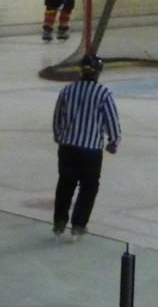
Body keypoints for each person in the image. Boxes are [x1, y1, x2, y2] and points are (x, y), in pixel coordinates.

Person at [52, 54, 121, 240]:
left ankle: (59, 222)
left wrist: (60, 137)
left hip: (68, 148)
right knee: (88, 188)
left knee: (65, 184)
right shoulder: (103, 93)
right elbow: (112, 120)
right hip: (91, 151)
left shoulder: (67, 91)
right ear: (98, 72)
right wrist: (113, 142)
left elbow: (57, 118)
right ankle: (78, 225)